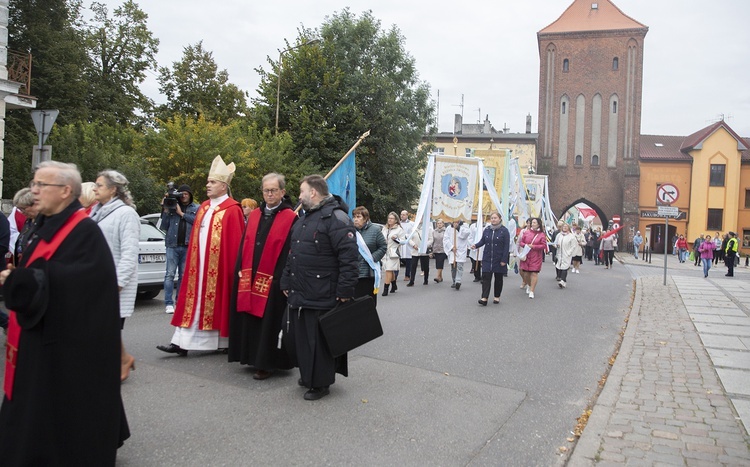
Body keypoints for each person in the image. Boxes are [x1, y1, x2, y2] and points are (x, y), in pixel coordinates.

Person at [0, 161, 129, 465]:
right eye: (34, 184)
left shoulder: (84, 232)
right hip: (39, 341)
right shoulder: (44, 225)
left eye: (41, 185)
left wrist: (21, 281)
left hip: (65, 351)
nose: (34, 191)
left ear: (65, 191)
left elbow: (84, 286)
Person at [281, 174, 359, 400]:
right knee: (304, 339)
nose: (299, 195)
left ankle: (320, 383)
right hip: (302, 290)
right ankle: (309, 375)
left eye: (301, 191)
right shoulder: (305, 218)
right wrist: (286, 280)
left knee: (318, 341)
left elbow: (349, 259)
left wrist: (345, 290)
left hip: (323, 291)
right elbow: (293, 253)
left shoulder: (337, 218)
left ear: (313, 192)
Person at [157, 156, 245, 356]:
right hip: (198, 267)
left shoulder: (233, 210)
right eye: (208, 181)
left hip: (218, 268)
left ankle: (223, 341)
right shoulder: (204, 206)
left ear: (223, 186)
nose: (207, 185)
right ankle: (181, 342)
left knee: (217, 302)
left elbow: (235, 245)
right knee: (192, 302)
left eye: (212, 182)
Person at [228, 173, 296, 380]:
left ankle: (266, 362)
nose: (269, 194)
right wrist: (240, 267)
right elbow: (245, 243)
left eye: (273, 190)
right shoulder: (255, 215)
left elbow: (290, 251)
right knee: (249, 317)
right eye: (266, 190)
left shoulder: (291, 218)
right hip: (250, 275)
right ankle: (249, 356)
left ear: (282, 192)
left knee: (269, 322)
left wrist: (282, 278)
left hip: (272, 279)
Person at [91, 170, 141, 382]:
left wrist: (118, 282)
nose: (94, 189)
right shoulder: (96, 212)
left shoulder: (126, 214)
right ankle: (120, 359)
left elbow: (130, 252)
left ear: (113, 190)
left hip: (114, 280)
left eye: (99, 185)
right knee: (101, 325)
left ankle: (119, 361)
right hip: (95, 278)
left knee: (108, 325)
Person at [160, 184, 199, 314]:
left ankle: (180, 302)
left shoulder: (196, 208)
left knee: (183, 275)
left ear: (190, 195)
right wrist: (165, 209)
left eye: (186, 194)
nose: (183, 196)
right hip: (172, 245)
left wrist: (181, 213)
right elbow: (163, 226)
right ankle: (168, 303)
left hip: (187, 246)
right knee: (170, 274)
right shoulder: (171, 205)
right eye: (181, 194)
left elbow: (197, 222)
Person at [471, 211, 509, 305]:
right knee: (486, 278)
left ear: (499, 219)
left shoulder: (504, 231)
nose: (493, 220)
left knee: (498, 278)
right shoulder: (487, 229)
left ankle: (497, 296)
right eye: (492, 218)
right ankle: (484, 298)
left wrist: (504, 259)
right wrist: (476, 245)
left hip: (499, 258)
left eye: (495, 218)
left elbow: (506, 246)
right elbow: (483, 241)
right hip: (487, 257)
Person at [352, 206, 386, 303]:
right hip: (354, 272)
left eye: (359, 217)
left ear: (366, 218)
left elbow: (383, 246)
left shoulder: (375, 230)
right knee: (356, 302)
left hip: (368, 271)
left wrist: (373, 258)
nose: (356, 220)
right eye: (354, 217)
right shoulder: (352, 231)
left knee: (368, 301)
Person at [518, 217, 547, 299]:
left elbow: (544, 245)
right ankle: (529, 284)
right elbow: (521, 242)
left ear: (538, 224)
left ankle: (532, 290)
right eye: (532, 222)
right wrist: (526, 245)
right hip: (526, 255)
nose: (533, 224)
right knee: (526, 274)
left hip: (536, 256)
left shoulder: (541, 234)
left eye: (534, 222)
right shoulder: (526, 232)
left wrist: (534, 246)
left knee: (534, 273)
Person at [381, 212, 404, 296]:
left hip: (393, 252)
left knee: (388, 270)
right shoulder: (385, 228)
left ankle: (385, 288)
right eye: (389, 218)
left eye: (392, 218)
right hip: (384, 252)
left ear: (396, 220)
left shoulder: (399, 229)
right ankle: (394, 285)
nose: (390, 220)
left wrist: (396, 239)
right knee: (389, 269)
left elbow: (403, 242)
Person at [444, 219, 470, 290]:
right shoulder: (449, 228)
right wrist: (451, 247)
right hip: (453, 250)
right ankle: (454, 280)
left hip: (461, 250)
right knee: (453, 267)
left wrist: (458, 228)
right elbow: (446, 239)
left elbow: (466, 234)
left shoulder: (464, 226)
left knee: (460, 266)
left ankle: (458, 281)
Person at [407, 221, 433, 286]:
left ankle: (426, 279)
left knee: (425, 266)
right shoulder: (413, 228)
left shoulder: (428, 228)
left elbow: (431, 239)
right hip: (415, 250)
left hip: (424, 250)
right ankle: (412, 280)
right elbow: (409, 238)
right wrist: (413, 245)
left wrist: (425, 245)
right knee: (413, 265)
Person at [554, 223, 578, 288]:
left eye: (566, 226)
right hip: (559, 254)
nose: (564, 227)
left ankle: (562, 281)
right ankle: (563, 281)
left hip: (566, 254)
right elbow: (555, 242)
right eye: (563, 226)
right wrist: (556, 245)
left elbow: (573, 246)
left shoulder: (571, 236)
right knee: (559, 266)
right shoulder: (559, 235)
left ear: (568, 228)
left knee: (565, 267)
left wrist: (569, 253)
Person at [399, 210, 414, 282]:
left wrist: (406, 236)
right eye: (401, 214)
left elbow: (412, 233)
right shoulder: (398, 223)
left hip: (408, 244)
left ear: (407, 215)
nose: (402, 216)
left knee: (408, 260)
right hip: (400, 243)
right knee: (398, 259)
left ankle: (407, 275)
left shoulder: (411, 224)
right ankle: (394, 275)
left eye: (404, 215)